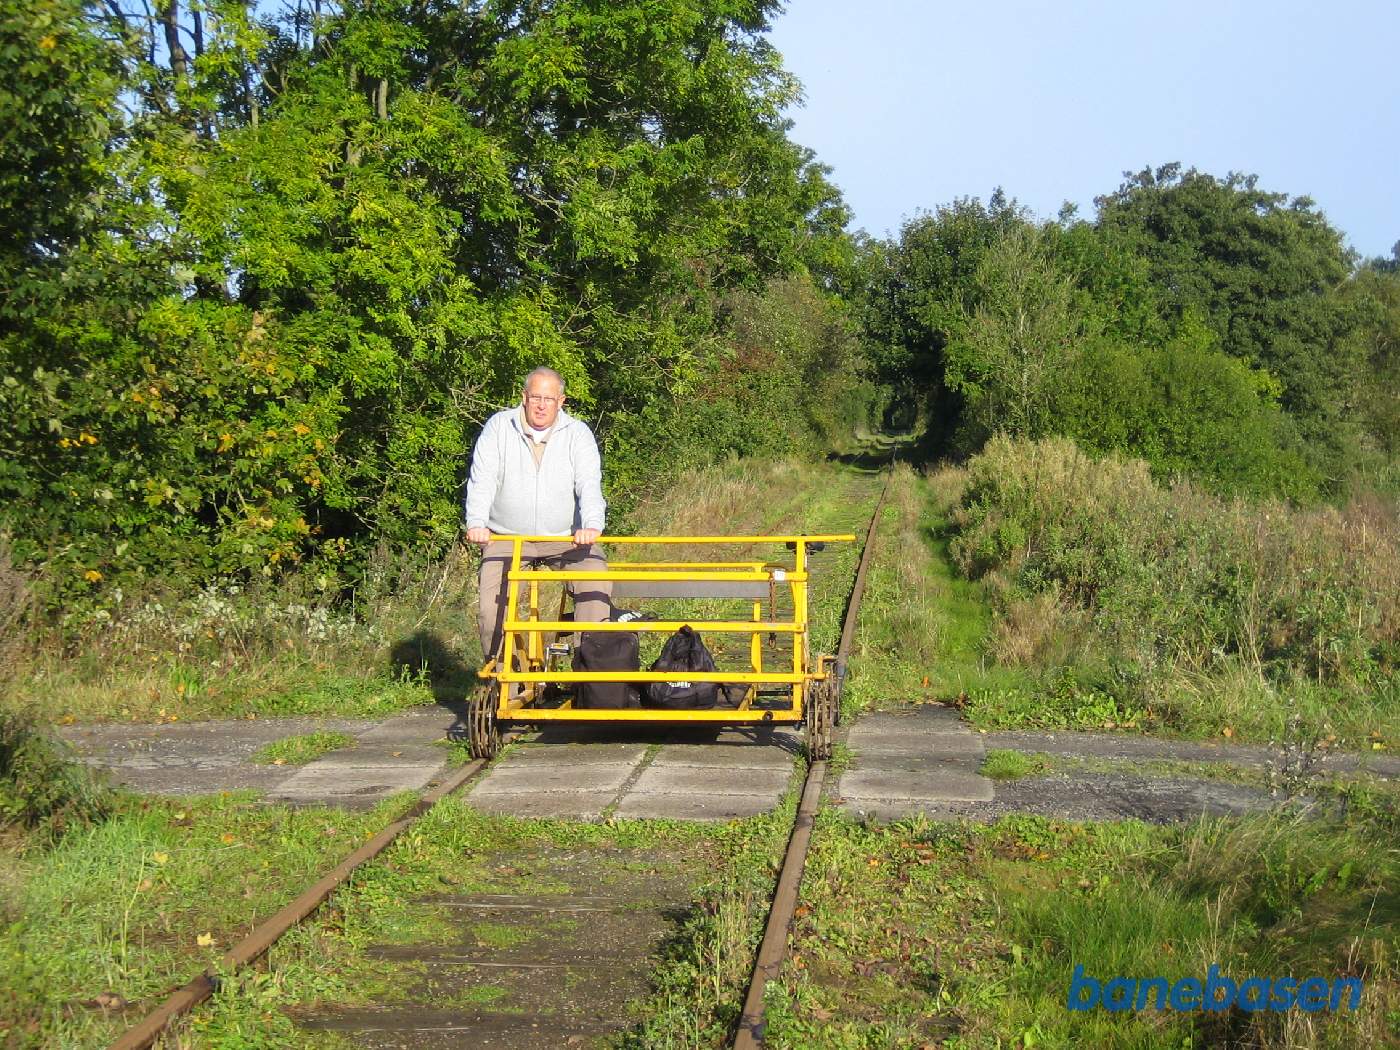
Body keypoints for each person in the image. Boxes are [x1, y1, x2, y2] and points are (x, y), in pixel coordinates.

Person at [462, 367, 611, 664]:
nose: (542, 405)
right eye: (536, 398)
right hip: (507, 537)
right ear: (524, 397)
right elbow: (483, 478)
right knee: (492, 610)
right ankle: (505, 676)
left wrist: (592, 525)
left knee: (596, 587)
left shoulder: (577, 433)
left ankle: (590, 674)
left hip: (567, 538)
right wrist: (477, 523)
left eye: (549, 399)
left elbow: (589, 483)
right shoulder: (499, 427)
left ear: (561, 401)